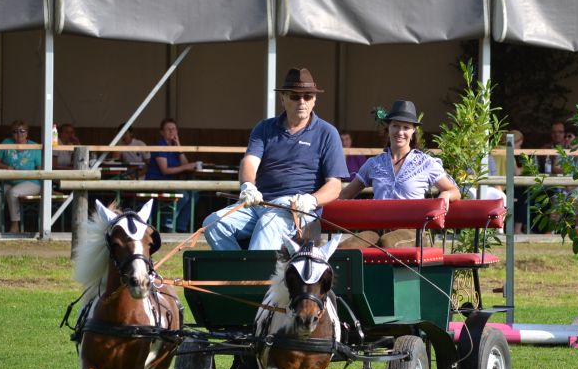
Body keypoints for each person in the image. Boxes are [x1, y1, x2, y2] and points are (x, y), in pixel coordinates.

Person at [203, 67, 348, 250]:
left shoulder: (327, 133)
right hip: (258, 203)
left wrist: (311, 200)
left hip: (296, 209)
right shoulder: (264, 128)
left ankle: (253, 269)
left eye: (307, 96)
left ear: (314, 100)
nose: (302, 102)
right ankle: (239, 267)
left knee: (268, 223)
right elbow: (249, 162)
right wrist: (248, 186)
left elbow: (334, 186)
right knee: (213, 224)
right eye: (295, 96)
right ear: (282, 99)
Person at [338, 99, 459, 247]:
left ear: (413, 131)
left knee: (387, 243)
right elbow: (345, 195)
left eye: (406, 127)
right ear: (388, 128)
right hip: (377, 229)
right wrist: (319, 205)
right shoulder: (373, 164)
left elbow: (454, 190)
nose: (400, 132)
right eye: (395, 125)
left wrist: (446, 195)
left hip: (413, 231)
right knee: (347, 248)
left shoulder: (426, 163)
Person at [145, 118, 199, 233]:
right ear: (162, 132)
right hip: (156, 182)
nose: (171, 131)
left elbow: (185, 164)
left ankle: (181, 227)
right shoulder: (160, 146)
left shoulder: (174, 147)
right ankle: (167, 224)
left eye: (174, 129)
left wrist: (178, 146)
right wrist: (186, 167)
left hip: (171, 183)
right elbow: (165, 170)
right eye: (168, 129)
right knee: (184, 195)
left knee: (194, 194)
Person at [0, 120, 42, 233]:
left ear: (27, 133)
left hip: (31, 182)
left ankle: (15, 226)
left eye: (22, 131)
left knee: (12, 193)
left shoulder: (34, 146)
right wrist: (6, 167)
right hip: (10, 181)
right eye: (15, 131)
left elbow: (40, 169)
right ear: (11, 133)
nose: (19, 134)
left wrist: (47, 187)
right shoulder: (6, 143)